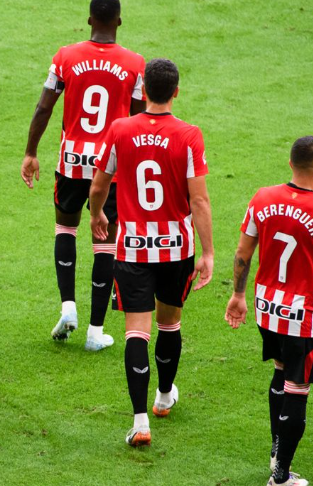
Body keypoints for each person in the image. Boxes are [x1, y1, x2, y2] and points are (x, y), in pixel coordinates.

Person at [226, 136, 313, 486]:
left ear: (290, 164)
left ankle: (277, 455)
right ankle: (280, 477)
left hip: (265, 307)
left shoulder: (262, 199)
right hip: (302, 315)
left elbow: (244, 251)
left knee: (279, 371)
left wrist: (238, 295)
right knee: (297, 388)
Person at [88, 58, 214, 447]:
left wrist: (96, 216)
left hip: (133, 250)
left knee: (136, 332)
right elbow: (199, 200)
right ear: (176, 91)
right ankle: (164, 396)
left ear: (143, 91)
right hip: (177, 249)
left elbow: (98, 186)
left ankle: (141, 421)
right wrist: (208, 252)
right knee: (169, 323)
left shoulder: (121, 129)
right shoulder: (190, 135)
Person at [21, 0, 145, 350]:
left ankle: (68, 307)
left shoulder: (65, 56)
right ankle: (95, 332)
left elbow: (44, 106)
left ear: (89, 19)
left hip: (71, 162)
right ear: (119, 21)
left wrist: (31, 152)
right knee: (105, 241)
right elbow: (136, 123)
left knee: (66, 227)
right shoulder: (135, 64)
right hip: (110, 169)